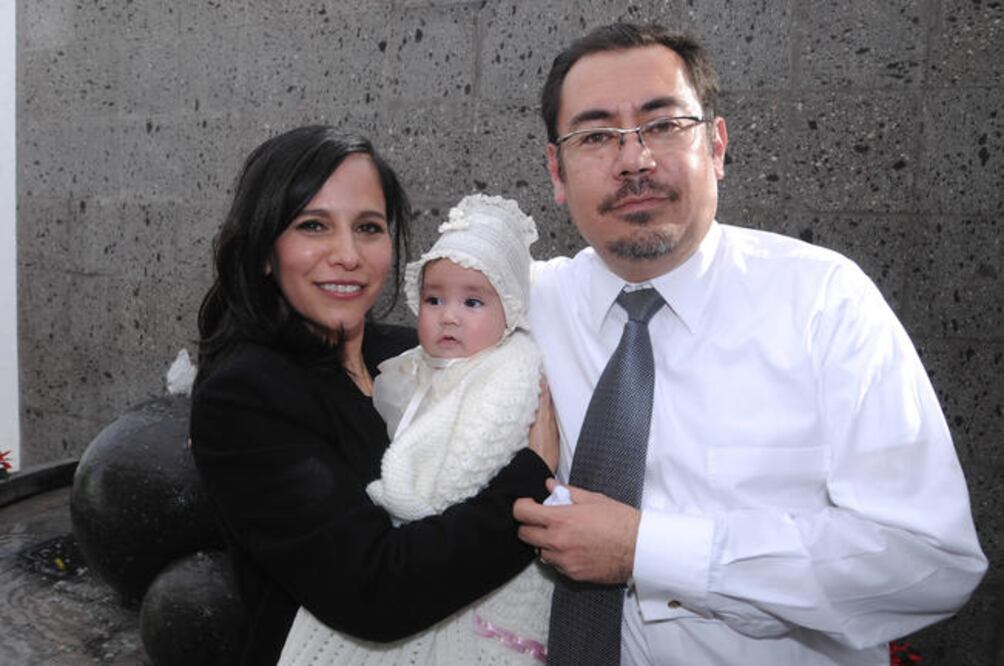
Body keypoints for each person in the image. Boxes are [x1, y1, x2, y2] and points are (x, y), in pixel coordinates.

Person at [513, 22, 988, 665]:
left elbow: (929, 561)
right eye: (596, 135)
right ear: (556, 171)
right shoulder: (520, 305)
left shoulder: (823, 302)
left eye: (663, 125)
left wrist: (647, 550)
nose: (633, 160)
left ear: (717, 144)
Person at [189, 127, 558, 666]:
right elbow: (375, 590)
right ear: (265, 251)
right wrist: (530, 480)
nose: (348, 255)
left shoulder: (420, 351)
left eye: (368, 228)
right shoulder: (245, 396)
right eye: (313, 226)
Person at [279, 193, 555, 665]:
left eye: (472, 301)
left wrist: (403, 496)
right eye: (434, 299)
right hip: (422, 561)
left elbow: (470, 464)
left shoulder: (508, 372)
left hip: (480, 566)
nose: (449, 315)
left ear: (509, 310)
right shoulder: (416, 365)